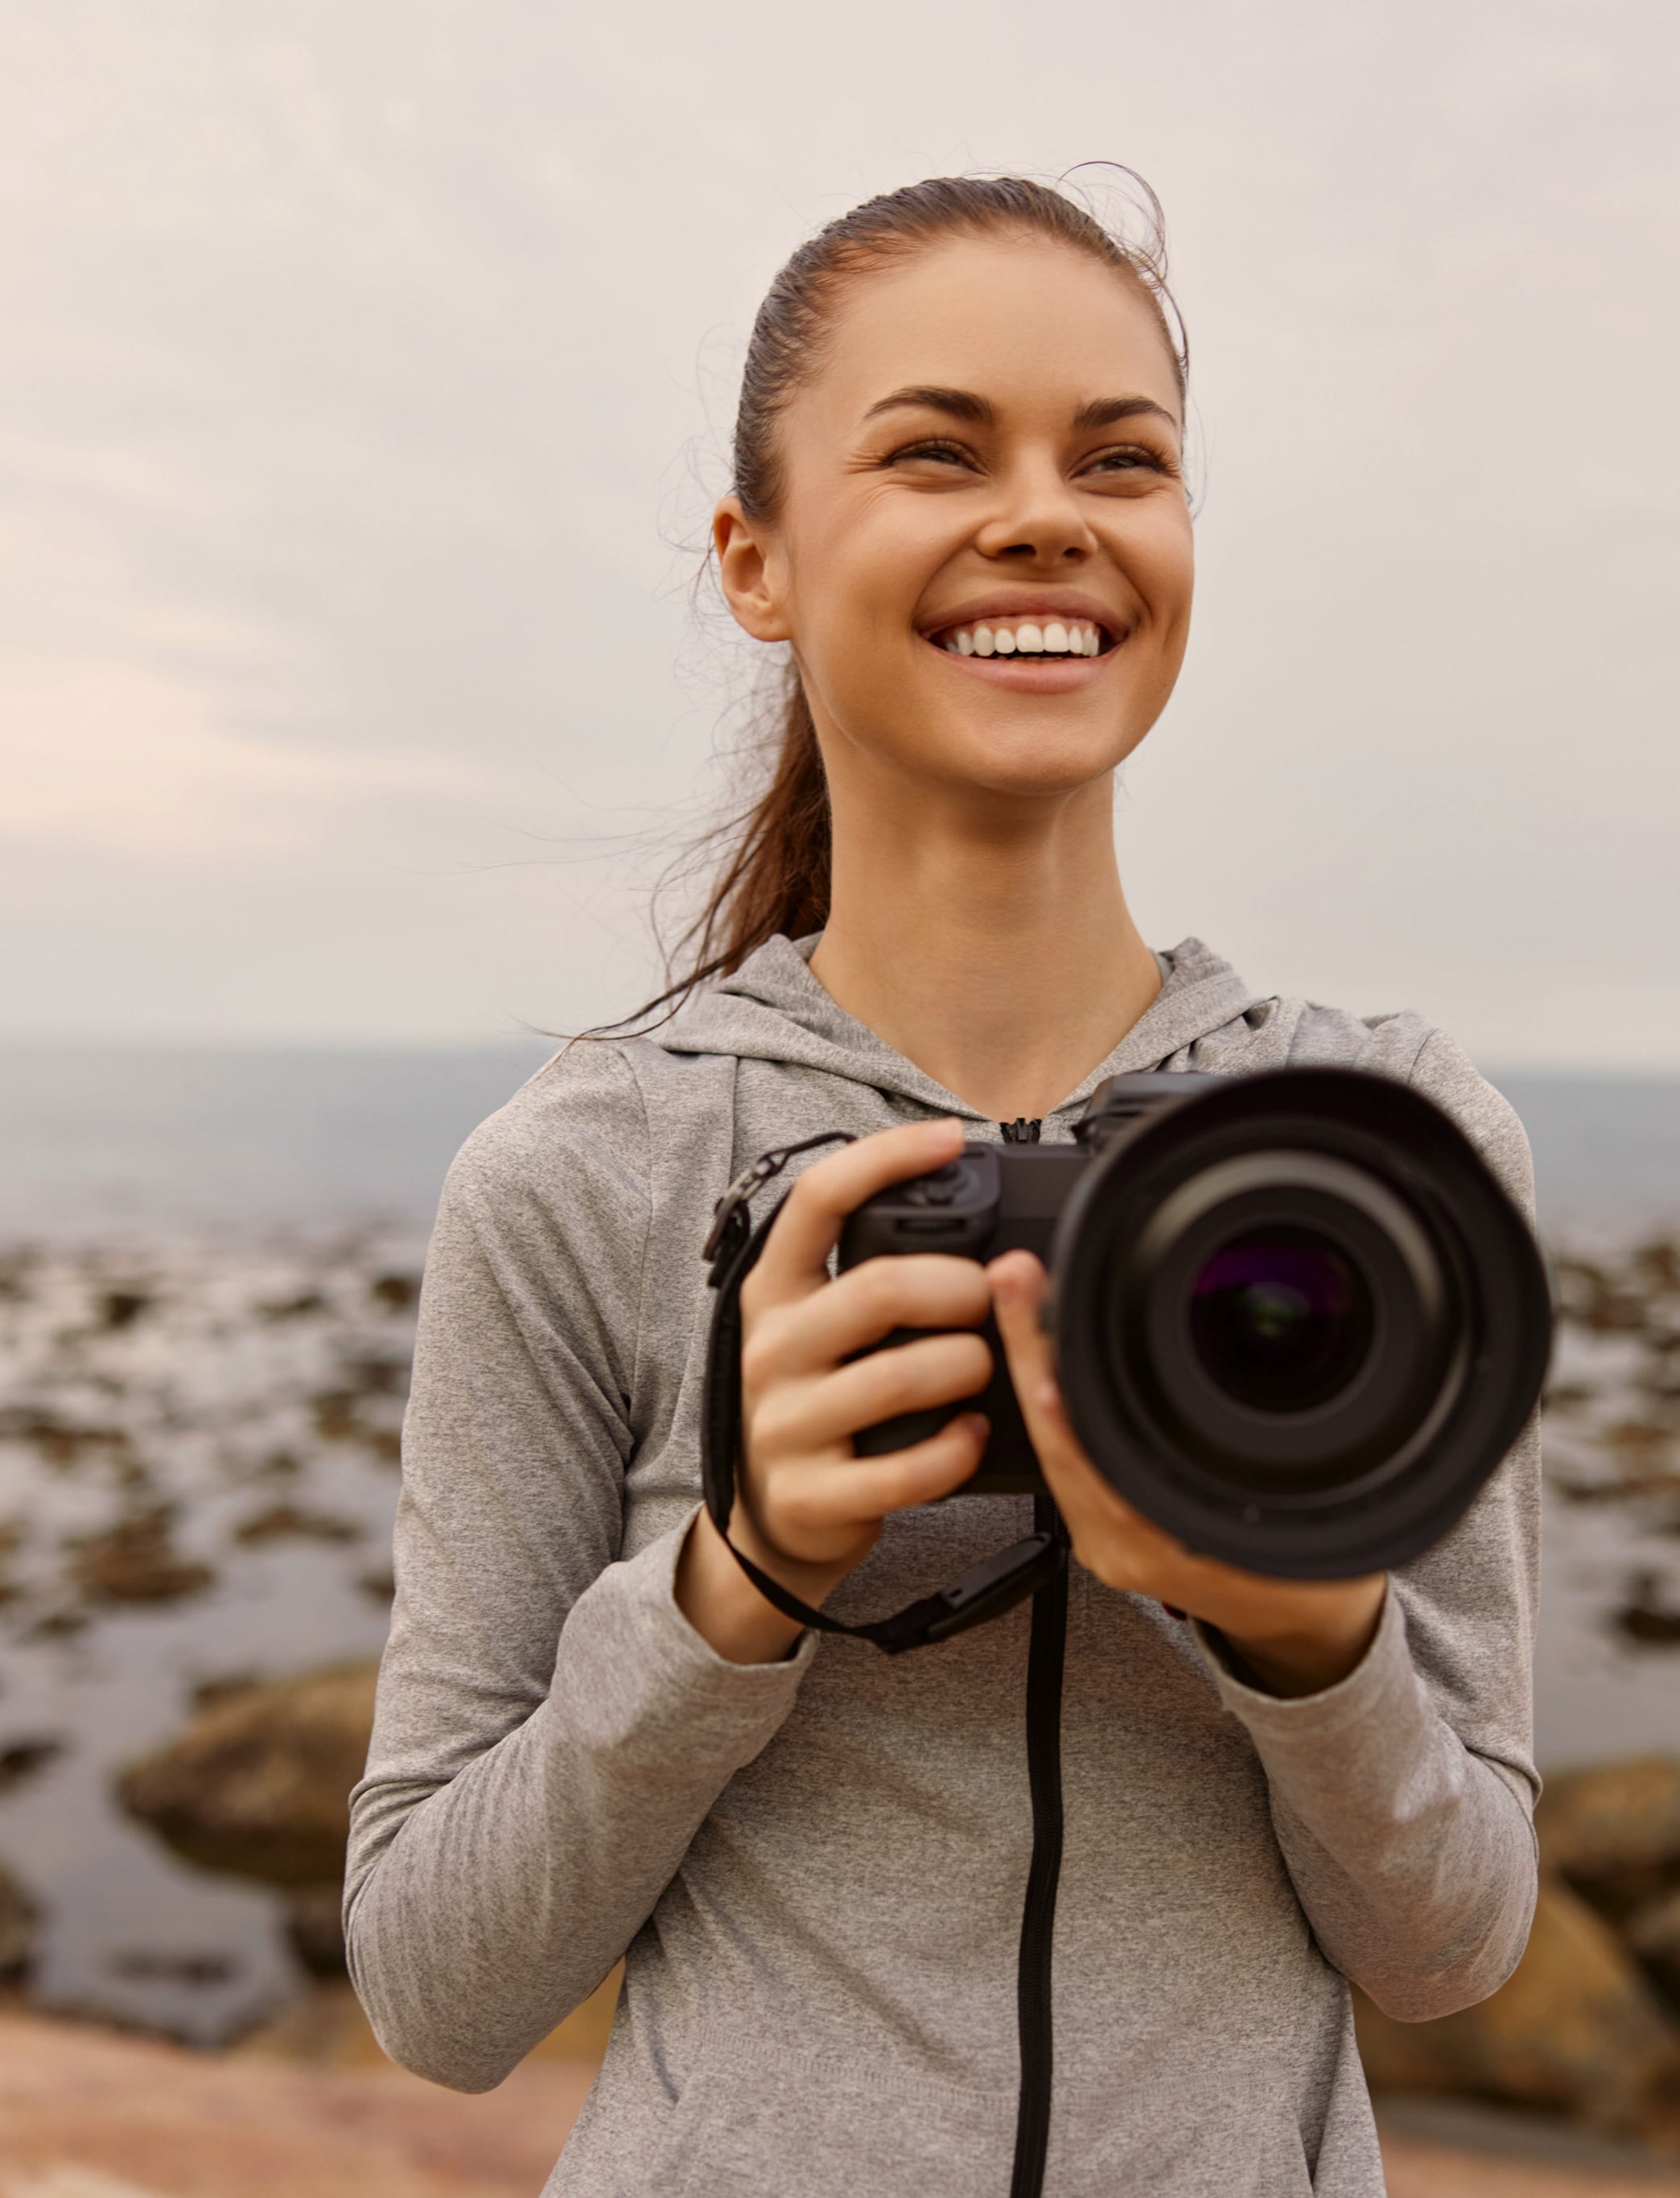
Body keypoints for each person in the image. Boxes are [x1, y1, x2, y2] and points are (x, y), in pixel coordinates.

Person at [344, 175, 1540, 2198]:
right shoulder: (592, 1167)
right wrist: (739, 1582)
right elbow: (435, 1992)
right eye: (933, 449)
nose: (1047, 514)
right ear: (757, 559)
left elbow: (1449, 1944)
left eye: (1122, 459)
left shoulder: (1378, 1152)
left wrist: (1301, 1636)